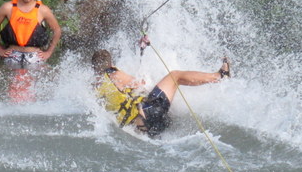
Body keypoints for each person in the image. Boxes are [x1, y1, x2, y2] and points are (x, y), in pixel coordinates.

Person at [91, 49, 230, 137]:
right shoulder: (113, 74)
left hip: (141, 128)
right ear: (110, 63)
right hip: (149, 114)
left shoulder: (95, 86)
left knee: (164, 111)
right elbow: (140, 83)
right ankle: (220, 76)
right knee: (175, 76)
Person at [0, 0, 62, 68]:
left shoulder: (43, 10)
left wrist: (49, 52)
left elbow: (57, 30)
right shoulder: (7, 7)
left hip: (34, 56)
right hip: (12, 55)